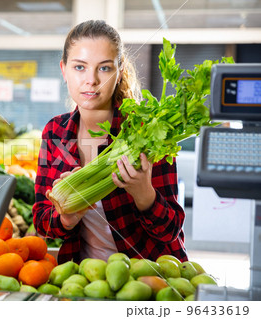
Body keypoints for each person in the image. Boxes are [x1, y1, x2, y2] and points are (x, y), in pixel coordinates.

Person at [32, 20, 187, 264]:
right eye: (79, 67)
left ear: (120, 70)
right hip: (85, 278)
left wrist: (144, 195)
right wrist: (65, 219)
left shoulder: (145, 130)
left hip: (150, 277)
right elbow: (41, 220)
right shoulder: (55, 131)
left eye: (104, 68)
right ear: (64, 70)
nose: (91, 80)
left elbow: (170, 231)